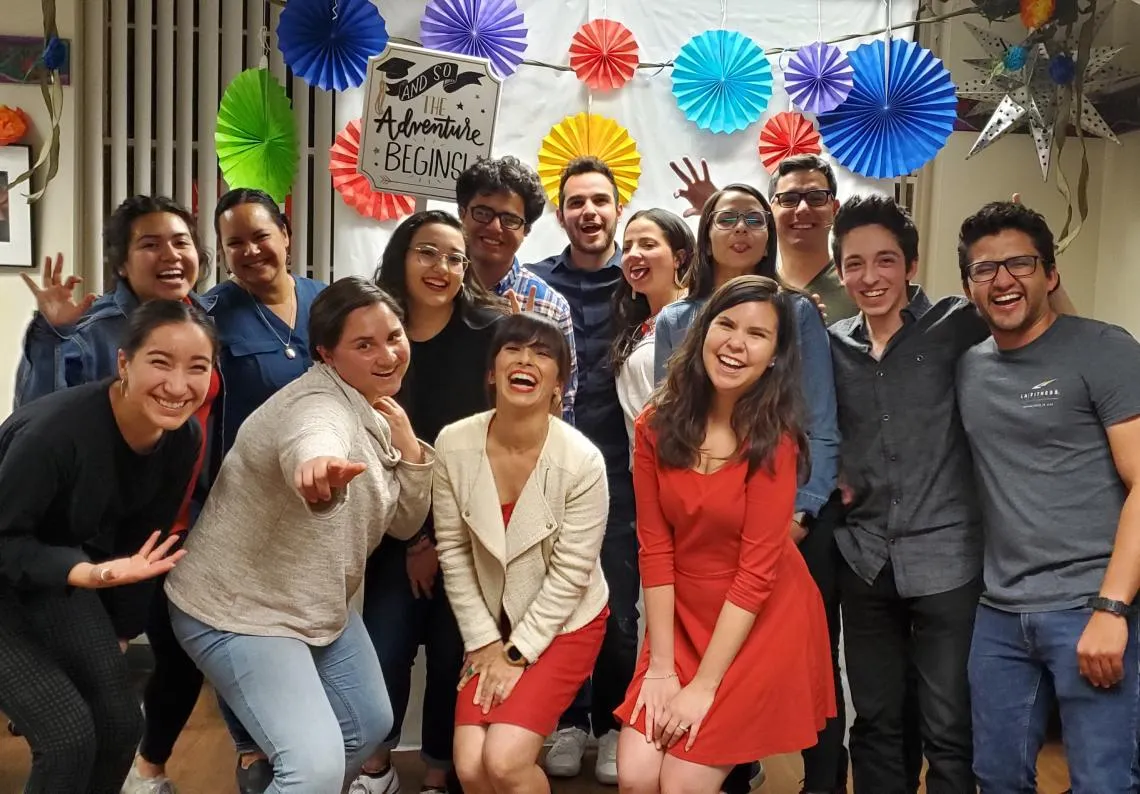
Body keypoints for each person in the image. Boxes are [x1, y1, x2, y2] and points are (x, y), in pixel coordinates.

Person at [165, 277, 435, 794]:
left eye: (394, 336)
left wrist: (411, 451)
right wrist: (317, 472)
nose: (388, 354)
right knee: (313, 767)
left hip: (313, 604)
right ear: (326, 354)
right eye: (364, 344)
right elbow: (312, 440)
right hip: (240, 610)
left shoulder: (375, 408)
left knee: (367, 727)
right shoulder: (317, 405)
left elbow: (403, 522)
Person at [654, 182, 844, 794]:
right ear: (704, 234)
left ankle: (818, 782)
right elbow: (677, 427)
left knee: (794, 681)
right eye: (726, 218)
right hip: (703, 534)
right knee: (708, 692)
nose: (741, 229)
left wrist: (797, 516)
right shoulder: (677, 320)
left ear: (768, 236)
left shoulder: (796, 312)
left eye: (754, 219)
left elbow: (818, 422)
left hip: (783, 525)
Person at [616, 275, 835, 794]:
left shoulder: (775, 440)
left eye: (758, 335)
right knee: (636, 777)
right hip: (683, 617)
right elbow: (655, 548)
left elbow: (756, 574)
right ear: (702, 332)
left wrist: (704, 687)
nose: (737, 343)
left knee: (682, 785)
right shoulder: (654, 425)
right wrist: (663, 669)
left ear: (775, 357)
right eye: (727, 324)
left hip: (757, 619)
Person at [956, 202, 1140, 793]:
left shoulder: (1104, 349)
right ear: (969, 286)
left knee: (1103, 782)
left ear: (1050, 275)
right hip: (1000, 613)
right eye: (985, 269)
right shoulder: (968, 369)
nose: (1003, 280)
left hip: (1092, 606)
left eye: (1020, 263)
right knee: (996, 778)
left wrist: (1113, 608)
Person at [0, 299, 216, 794]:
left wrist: (119, 627)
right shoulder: (53, 434)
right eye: (160, 362)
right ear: (124, 363)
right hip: (20, 569)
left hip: (52, 575)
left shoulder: (183, 437)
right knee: (68, 738)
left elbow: (145, 541)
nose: (178, 386)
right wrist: (88, 574)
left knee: (121, 724)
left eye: (197, 367)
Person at [827, 195, 989, 794]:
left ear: (912, 266)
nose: (871, 277)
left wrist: (1004, 248)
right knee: (875, 720)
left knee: (949, 723)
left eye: (886, 261)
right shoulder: (830, 345)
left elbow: (1036, 329)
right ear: (840, 270)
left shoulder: (957, 324)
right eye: (855, 263)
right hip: (865, 559)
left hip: (948, 558)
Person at [352, 211, 506, 794]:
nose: (441, 267)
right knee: (384, 647)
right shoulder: (375, 332)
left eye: (454, 257)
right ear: (401, 256)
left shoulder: (488, 334)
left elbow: (491, 444)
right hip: (389, 527)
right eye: (427, 252)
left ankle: (440, 770)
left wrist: (439, 542)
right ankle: (376, 767)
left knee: (451, 654)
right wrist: (412, 540)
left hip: (465, 531)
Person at [432, 312, 610, 794]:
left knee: (506, 761)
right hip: (491, 624)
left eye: (543, 353)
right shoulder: (453, 444)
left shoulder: (582, 461)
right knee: (470, 766)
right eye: (512, 348)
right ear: (492, 372)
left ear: (558, 385)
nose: (526, 359)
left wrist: (514, 654)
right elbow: (452, 551)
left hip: (566, 621)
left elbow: (571, 577)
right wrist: (485, 642)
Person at [528, 157, 636, 783]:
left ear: (617, 208)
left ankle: (616, 723)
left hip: (623, 473)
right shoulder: (536, 282)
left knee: (621, 607)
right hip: (550, 469)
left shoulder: (642, 277)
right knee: (556, 598)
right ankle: (567, 719)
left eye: (600, 200)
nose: (589, 212)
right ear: (562, 212)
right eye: (576, 202)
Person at [455, 155, 577, 420]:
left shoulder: (550, 306)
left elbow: (562, 405)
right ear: (462, 213)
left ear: (527, 230)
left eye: (510, 219)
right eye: (483, 213)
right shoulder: (437, 286)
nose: (495, 227)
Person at [669, 154, 857, 323]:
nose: (802, 209)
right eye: (789, 199)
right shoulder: (759, 290)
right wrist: (720, 206)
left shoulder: (858, 285)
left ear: (835, 209)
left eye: (816, 198)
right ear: (769, 213)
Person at [613, 209, 694, 460]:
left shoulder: (697, 316)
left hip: (687, 469)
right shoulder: (636, 324)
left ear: (679, 258)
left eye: (648, 244)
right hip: (644, 473)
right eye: (626, 248)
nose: (633, 254)